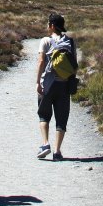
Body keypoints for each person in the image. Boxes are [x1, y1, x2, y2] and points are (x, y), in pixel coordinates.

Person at [36, 11, 78, 161]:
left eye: (48, 24)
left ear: (52, 26)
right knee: (61, 119)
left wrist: (37, 82)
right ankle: (57, 151)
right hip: (64, 85)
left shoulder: (45, 41)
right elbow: (74, 65)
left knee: (43, 115)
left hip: (47, 84)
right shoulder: (71, 42)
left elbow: (41, 61)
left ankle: (45, 144)